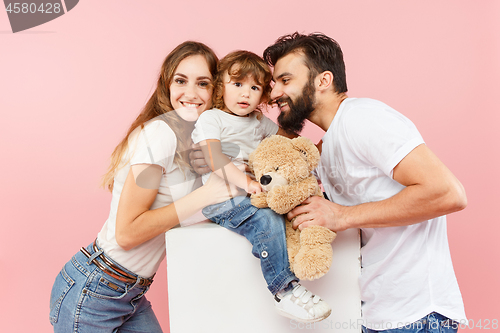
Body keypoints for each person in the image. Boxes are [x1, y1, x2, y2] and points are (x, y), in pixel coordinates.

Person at [261, 32, 467, 332]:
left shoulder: (363, 118)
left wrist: (340, 216)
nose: (275, 92)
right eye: (273, 83)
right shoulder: (327, 145)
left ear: (323, 80)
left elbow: (448, 193)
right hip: (378, 311)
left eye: (285, 80)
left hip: (417, 314)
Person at [49, 41, 242, 332]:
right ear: (166, 85)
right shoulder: (160, 136)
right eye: (180, 81)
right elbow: (127, 233)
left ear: (215, 90)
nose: (190, 93)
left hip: (129, 293)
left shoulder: (192, 142)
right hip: (95, 289)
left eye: (202, 83)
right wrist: (205, 195)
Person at [191, 50, 331, 323]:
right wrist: (247, 183)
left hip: (255, 192)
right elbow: (212, 156)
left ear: (263, 95)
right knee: (265, 218)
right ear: (221, 86)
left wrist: (316, 149)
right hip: (223, 198)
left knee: (296, 209)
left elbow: (286, 141)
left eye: (255, 87)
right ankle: (285, 291)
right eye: (237, 84)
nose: (246, 94)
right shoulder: (212, 119)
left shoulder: (258, 122)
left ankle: (308, 257)